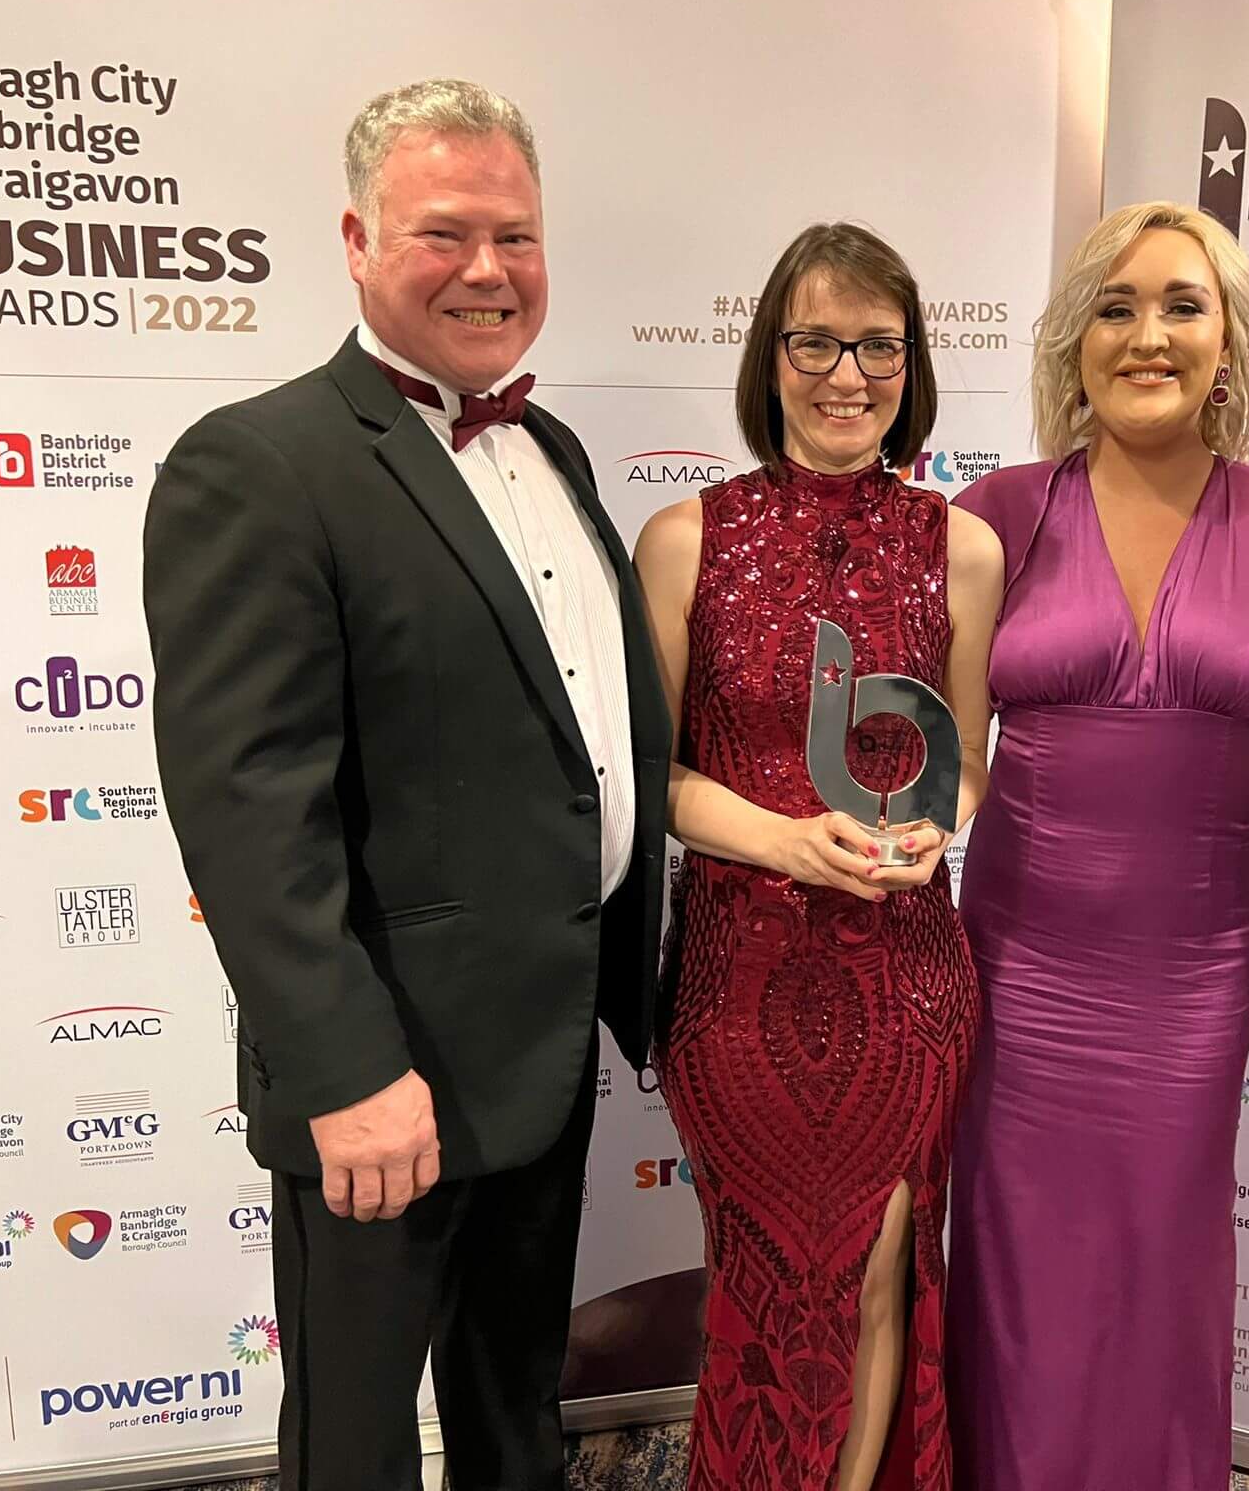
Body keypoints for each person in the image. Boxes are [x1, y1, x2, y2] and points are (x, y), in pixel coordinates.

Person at [144, 79, 671, 1491]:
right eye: (445, 234)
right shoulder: (259, 465)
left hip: (544, 1054)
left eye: (517, 236)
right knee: (357, 1448)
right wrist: (346, 1070)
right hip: (385, 1081)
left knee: (515, 1425)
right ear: (358, 241)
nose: (489, 270)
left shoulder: (551, 451)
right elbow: (250, 806)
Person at [943, 202, 1249, 1491]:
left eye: (1181, 306)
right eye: (1114, 308)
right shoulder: (993, 512)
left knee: (1162, 1251)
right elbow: (938, 757)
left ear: (1230, 340)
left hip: (1191, 968)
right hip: (1020, 960)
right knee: (1016, 1252)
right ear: (1073, 340)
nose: (1146, 336)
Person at [634, 223, 1001, 1490]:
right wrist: (790, 839)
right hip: (739, 984)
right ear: (769, 355)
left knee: (882, 1269)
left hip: (903, 978)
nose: (847, 375)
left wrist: (923, 831)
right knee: (763, 1287)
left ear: (913, 362)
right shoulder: (686, 539)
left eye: (877, 345)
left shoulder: (963, 547)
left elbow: (961, 767)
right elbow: (652, 777)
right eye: (815, 341)